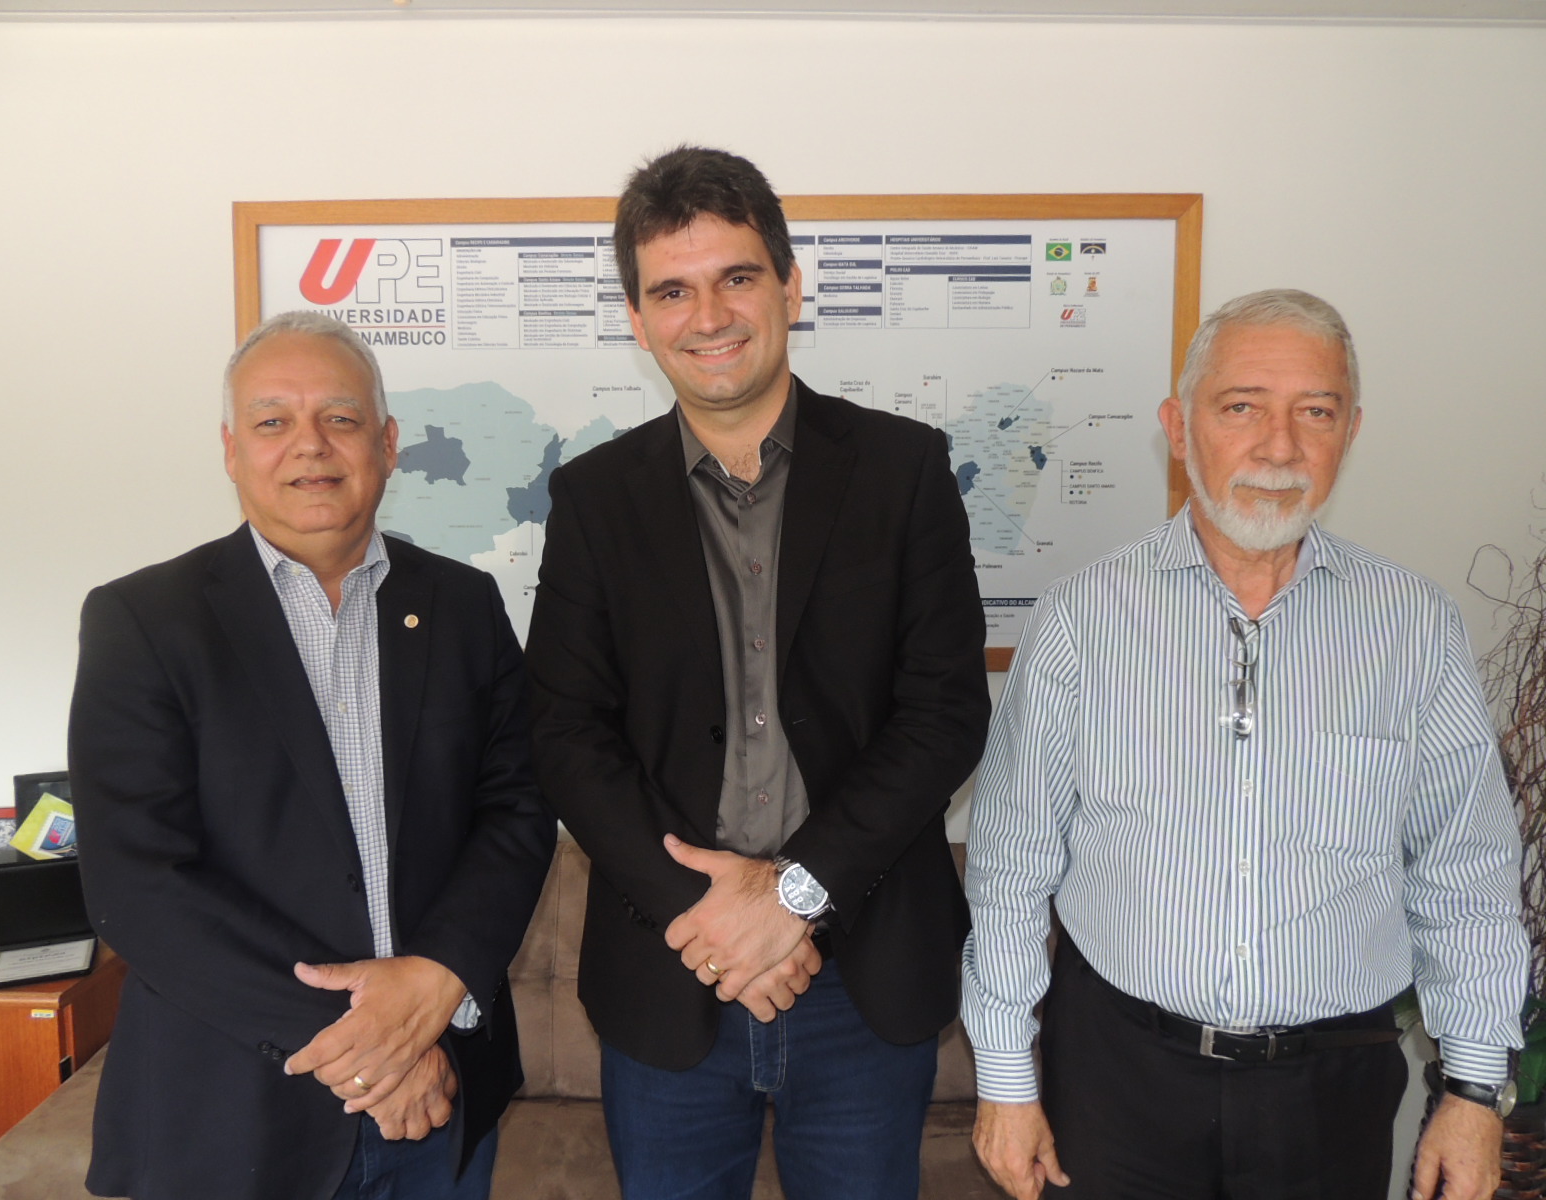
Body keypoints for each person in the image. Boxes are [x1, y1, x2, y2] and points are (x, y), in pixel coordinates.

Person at [962, 288, 1529, 1200]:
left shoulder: (1414, 627)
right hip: (1118, 1080)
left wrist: (1472, 1089)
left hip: (1331, 1089)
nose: (1279, 448)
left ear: (1350, 431)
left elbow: (1464, 874)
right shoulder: (1083, 620)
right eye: (1241, 408)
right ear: (1178, 428)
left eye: (1317, 412)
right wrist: (1003, 1075)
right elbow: (1011, 865)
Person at [525, 145, 991, 1199]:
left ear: (789, 285)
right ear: (638, 319)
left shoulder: (904, 471)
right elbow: (566, 733)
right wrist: (713, 915)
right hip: (672, 965)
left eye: (736, 277)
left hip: (863, 975)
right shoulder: (593, 499)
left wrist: (794, 893)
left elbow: (943, 714)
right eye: (672, 291)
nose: (709, 316)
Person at [68, 312, 557, 1200]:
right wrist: (375, 1047)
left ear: (387, 444)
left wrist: (435, 983)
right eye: (272, 421)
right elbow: (136, 883)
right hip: (235, 1108)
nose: (310, 445)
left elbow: (516, 812)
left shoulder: (463, 605)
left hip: (445, 1095)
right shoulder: (143, 622)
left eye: (340, 417)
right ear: (231, 450)